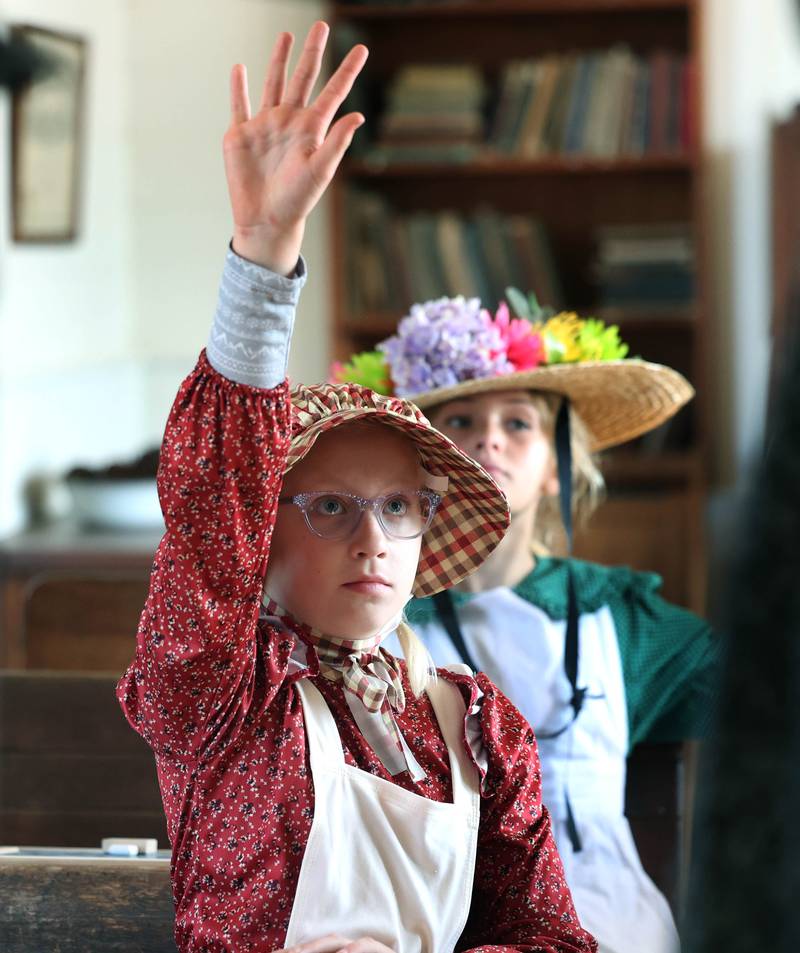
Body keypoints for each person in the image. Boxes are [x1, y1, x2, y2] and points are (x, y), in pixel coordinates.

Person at [117, 21, 597, 953]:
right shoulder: (219, 692)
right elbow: (216, 497)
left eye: (398, 507)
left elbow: (548, 937)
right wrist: (262, 255)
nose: (372, 538)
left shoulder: (478, 724)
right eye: (330, 506)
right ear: (261, 529)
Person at [335, 298, 720, 953]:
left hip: (610, 917)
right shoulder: (377, 617)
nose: (489, 439)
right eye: (460, 420)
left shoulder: (618, 620)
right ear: (423, 459)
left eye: (518, 422)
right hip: (436, 917)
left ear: (555, 467)